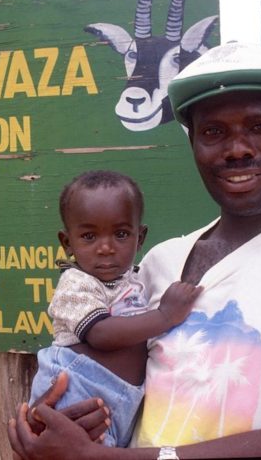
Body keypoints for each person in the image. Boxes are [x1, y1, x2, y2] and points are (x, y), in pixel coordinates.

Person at [9, 41, 261, 459]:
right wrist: (67, 420)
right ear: (194, 147)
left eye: (260, 127)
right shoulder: (157, 264)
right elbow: (119, 395)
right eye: (213, 132)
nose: (237, 148)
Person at [28, 170, 202, 448]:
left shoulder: (134, 279)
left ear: (140, 237)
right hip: (76, 391)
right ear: (67, 243)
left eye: (121, 234)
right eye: (88, 236)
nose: (106, 248)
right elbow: (100, 334)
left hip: (120, 403)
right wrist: (165, 316)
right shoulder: (75, 284)